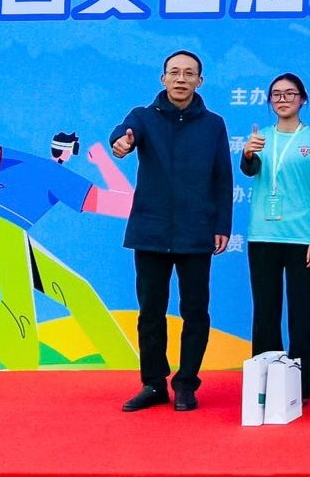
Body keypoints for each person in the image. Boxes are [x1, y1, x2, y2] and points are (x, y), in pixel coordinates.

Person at [110, 50, 232, 412]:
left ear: (200, 81)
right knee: (150, 312)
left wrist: (222, 224)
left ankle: (186, 383)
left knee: (196, 312)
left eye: (189, 73)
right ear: (163, 78)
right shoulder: (142, 116)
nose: (181, 79)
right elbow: (123, 135)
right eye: (174, 72)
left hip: (197, 231)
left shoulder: (214, 124)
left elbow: (222, 178)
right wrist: (121, 143)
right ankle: (153, 384)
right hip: (151, 230)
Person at [0, 132, 136, 370]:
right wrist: (102, 160)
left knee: (78, 291)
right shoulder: (59, 176)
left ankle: (126, 365)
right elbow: (127, 205)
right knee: (21, 350)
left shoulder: (23, 161)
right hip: (1, 227)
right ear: (71, 152)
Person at [240, 73, 310, 402]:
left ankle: (300, 386)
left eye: (290, 94)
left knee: (303, 315)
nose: (283, 100)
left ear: (302, 99)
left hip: (302, 239)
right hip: (263, 236)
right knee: (265, 312)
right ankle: (266, 383)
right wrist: (247, 155)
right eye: (276, 95)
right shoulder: (261, 137)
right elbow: (250, 171)